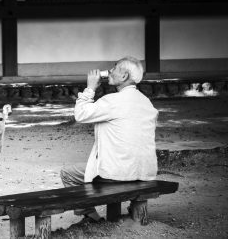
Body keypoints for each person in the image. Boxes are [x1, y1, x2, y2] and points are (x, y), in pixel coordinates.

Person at [61, 56, 159, 222]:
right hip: (145, 173)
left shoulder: (113, 101)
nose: (110, 72)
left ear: (124, 76)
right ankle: (134, 207)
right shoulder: (146, 103)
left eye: (115, 68)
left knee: (68, 173)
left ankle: (90, 215)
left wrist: (90, 88)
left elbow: (80, 114)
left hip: (116, 175)